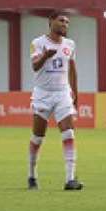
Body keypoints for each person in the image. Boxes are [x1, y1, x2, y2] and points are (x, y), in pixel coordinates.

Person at [27, 12, 83, 191]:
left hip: (62, 94)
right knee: (38, 137)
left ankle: (70, 179)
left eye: (67, 22)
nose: (65, 24)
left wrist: (75, 93)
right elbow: (34, 66)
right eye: (61, 20)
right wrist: (45, 56)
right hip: (42, 94)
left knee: (68, 133)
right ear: (51, 21)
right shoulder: (38, 43)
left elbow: (72, 70)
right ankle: (32, 175)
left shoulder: (70, 44)